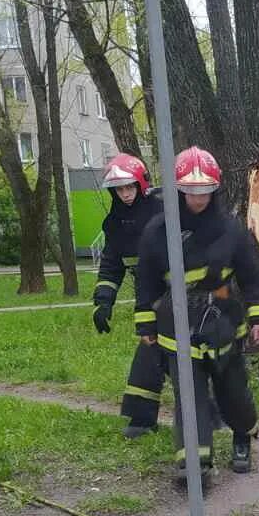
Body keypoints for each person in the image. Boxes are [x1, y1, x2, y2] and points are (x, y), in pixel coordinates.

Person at [134, 146, 259, 485]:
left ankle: (243, 436)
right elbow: (146, 281)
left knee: (233, 390)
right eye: (191, 191)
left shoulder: (232, 230)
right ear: (180, 191)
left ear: (215, 189)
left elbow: (253, 276)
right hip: (177, 324)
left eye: (205, 191)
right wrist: (146, 322)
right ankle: (194, 465)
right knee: (189, 395)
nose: (199, 198)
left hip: (223, 318)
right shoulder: (157, 231)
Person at [90, 154, 166, 438]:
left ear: (140, 184)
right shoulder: (114, 223)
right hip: (148, 297)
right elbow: (112, 264)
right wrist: (103, 302)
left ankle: (226, 414)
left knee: (195, 358)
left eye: (129, 187)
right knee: (149, 352)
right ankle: (142, 420)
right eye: (119, 189)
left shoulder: (163, 211)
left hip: (183, 293)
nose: (125, 194)